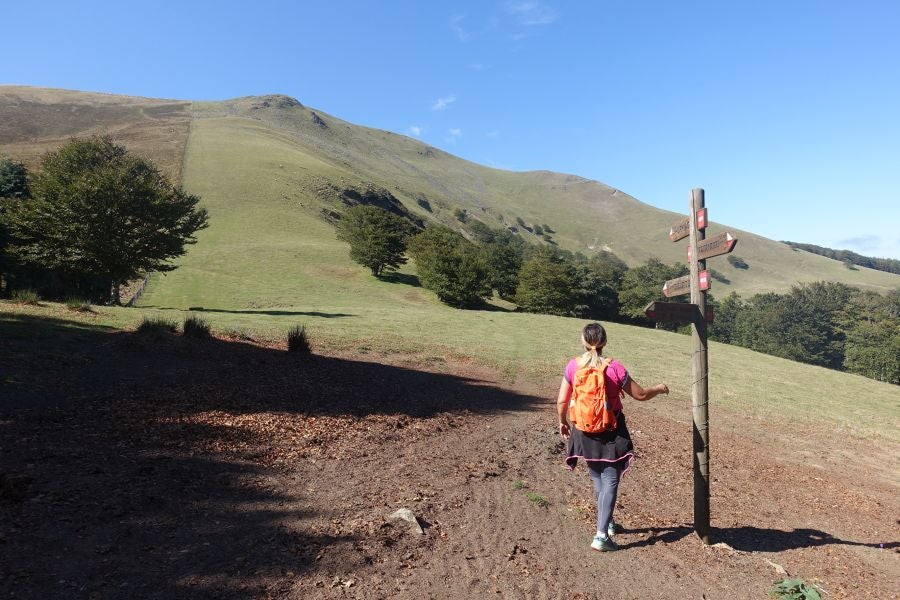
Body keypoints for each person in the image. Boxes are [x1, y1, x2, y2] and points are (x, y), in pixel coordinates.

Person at [556, 322, 669, 552]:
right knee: (611, 480)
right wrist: (659, 388)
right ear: (605, 342)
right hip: (610, 431)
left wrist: (562, 421)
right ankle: (600, 536)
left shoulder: (573, 366)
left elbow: (561, 401)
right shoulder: (614, 367)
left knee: (598, 477)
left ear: (583, 342)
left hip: (583, 429)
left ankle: (606, 523)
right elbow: (640, 394)